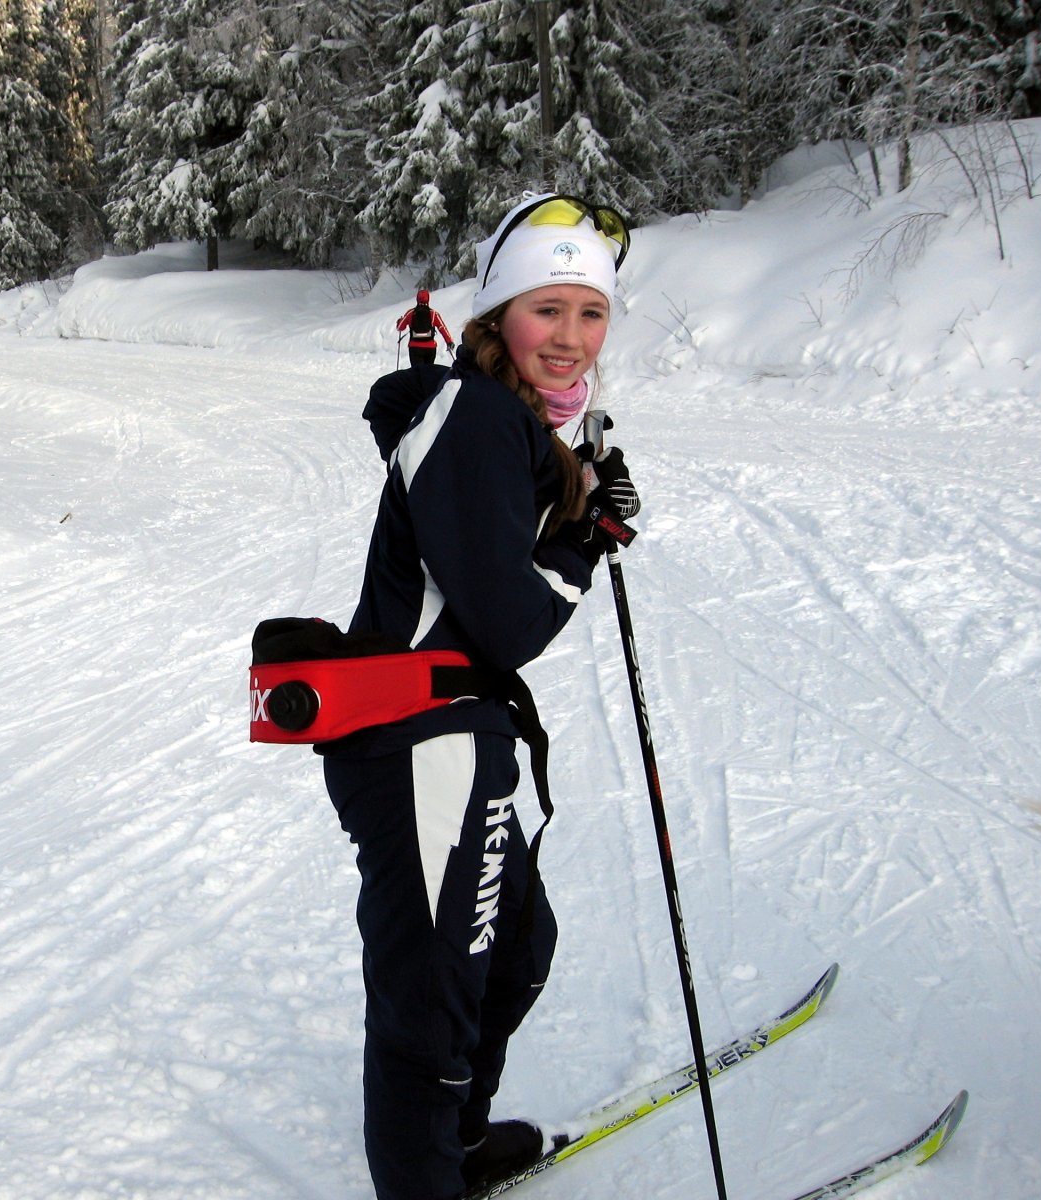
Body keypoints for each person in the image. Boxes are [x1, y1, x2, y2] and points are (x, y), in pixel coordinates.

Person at [320, 192, 640, 1200]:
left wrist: (579, 494)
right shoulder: (472, 417)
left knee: (509, 957)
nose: (571, 336)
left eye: (590, 313)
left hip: (456, 737)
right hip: (416, 738)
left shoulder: (508, 426)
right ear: (500, 312)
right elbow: (507, 621)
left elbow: (501, 576)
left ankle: (449, 1149)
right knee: (435, 998)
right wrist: (584, 541)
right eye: (548, 309)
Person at [396, 288, 455, 367]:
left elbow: (400, 328)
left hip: (414, 347)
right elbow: (442, 328)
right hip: (430, 348)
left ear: (417, 299)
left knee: (417, 372)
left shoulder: (410, 313)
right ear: (428, 300)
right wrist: (449, 341)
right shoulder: (434, 314)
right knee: (428, 372)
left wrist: (400, 321)